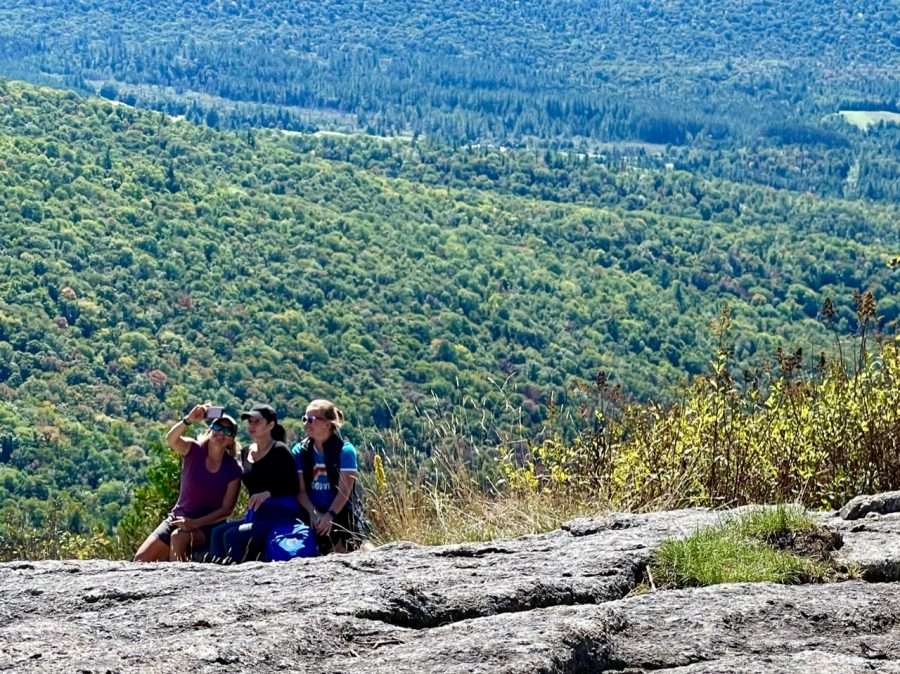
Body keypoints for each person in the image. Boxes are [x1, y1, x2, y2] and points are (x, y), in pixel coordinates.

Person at [134, 404, 242, 562]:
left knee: (178, 538)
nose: (221, 433)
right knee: (140, 560)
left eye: (227, 431)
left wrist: (194, 523)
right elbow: (171, 439)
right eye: (218, 427)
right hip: (177, 519)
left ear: (231, 440)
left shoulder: (233, 470)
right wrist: (189, 420)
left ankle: (176, 583)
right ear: (210, 429)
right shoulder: (193, 450)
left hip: (207, 526)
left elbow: (226, 510)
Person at [207, 403, 300, 563]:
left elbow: (293, 485)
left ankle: (241, 575)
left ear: (270, 425)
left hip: (280, 514)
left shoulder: (280, 451)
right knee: (217, 533)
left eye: (257, 421)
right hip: (257, 515)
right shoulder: (245, 452)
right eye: (250, 421)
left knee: (232, 536)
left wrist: (268, 493)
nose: (252, 425)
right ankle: (218, 578)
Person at [292, 399, 365, 554]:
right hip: (310, 511)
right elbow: (300, 491)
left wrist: (329, 516)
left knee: (342, 548)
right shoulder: (300, 451)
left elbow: (344, 492)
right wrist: (314, 513)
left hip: (340, 512)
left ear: (328, 423)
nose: (306, 424)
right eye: (304, 419)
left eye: (311, 420)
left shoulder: (345, 451)